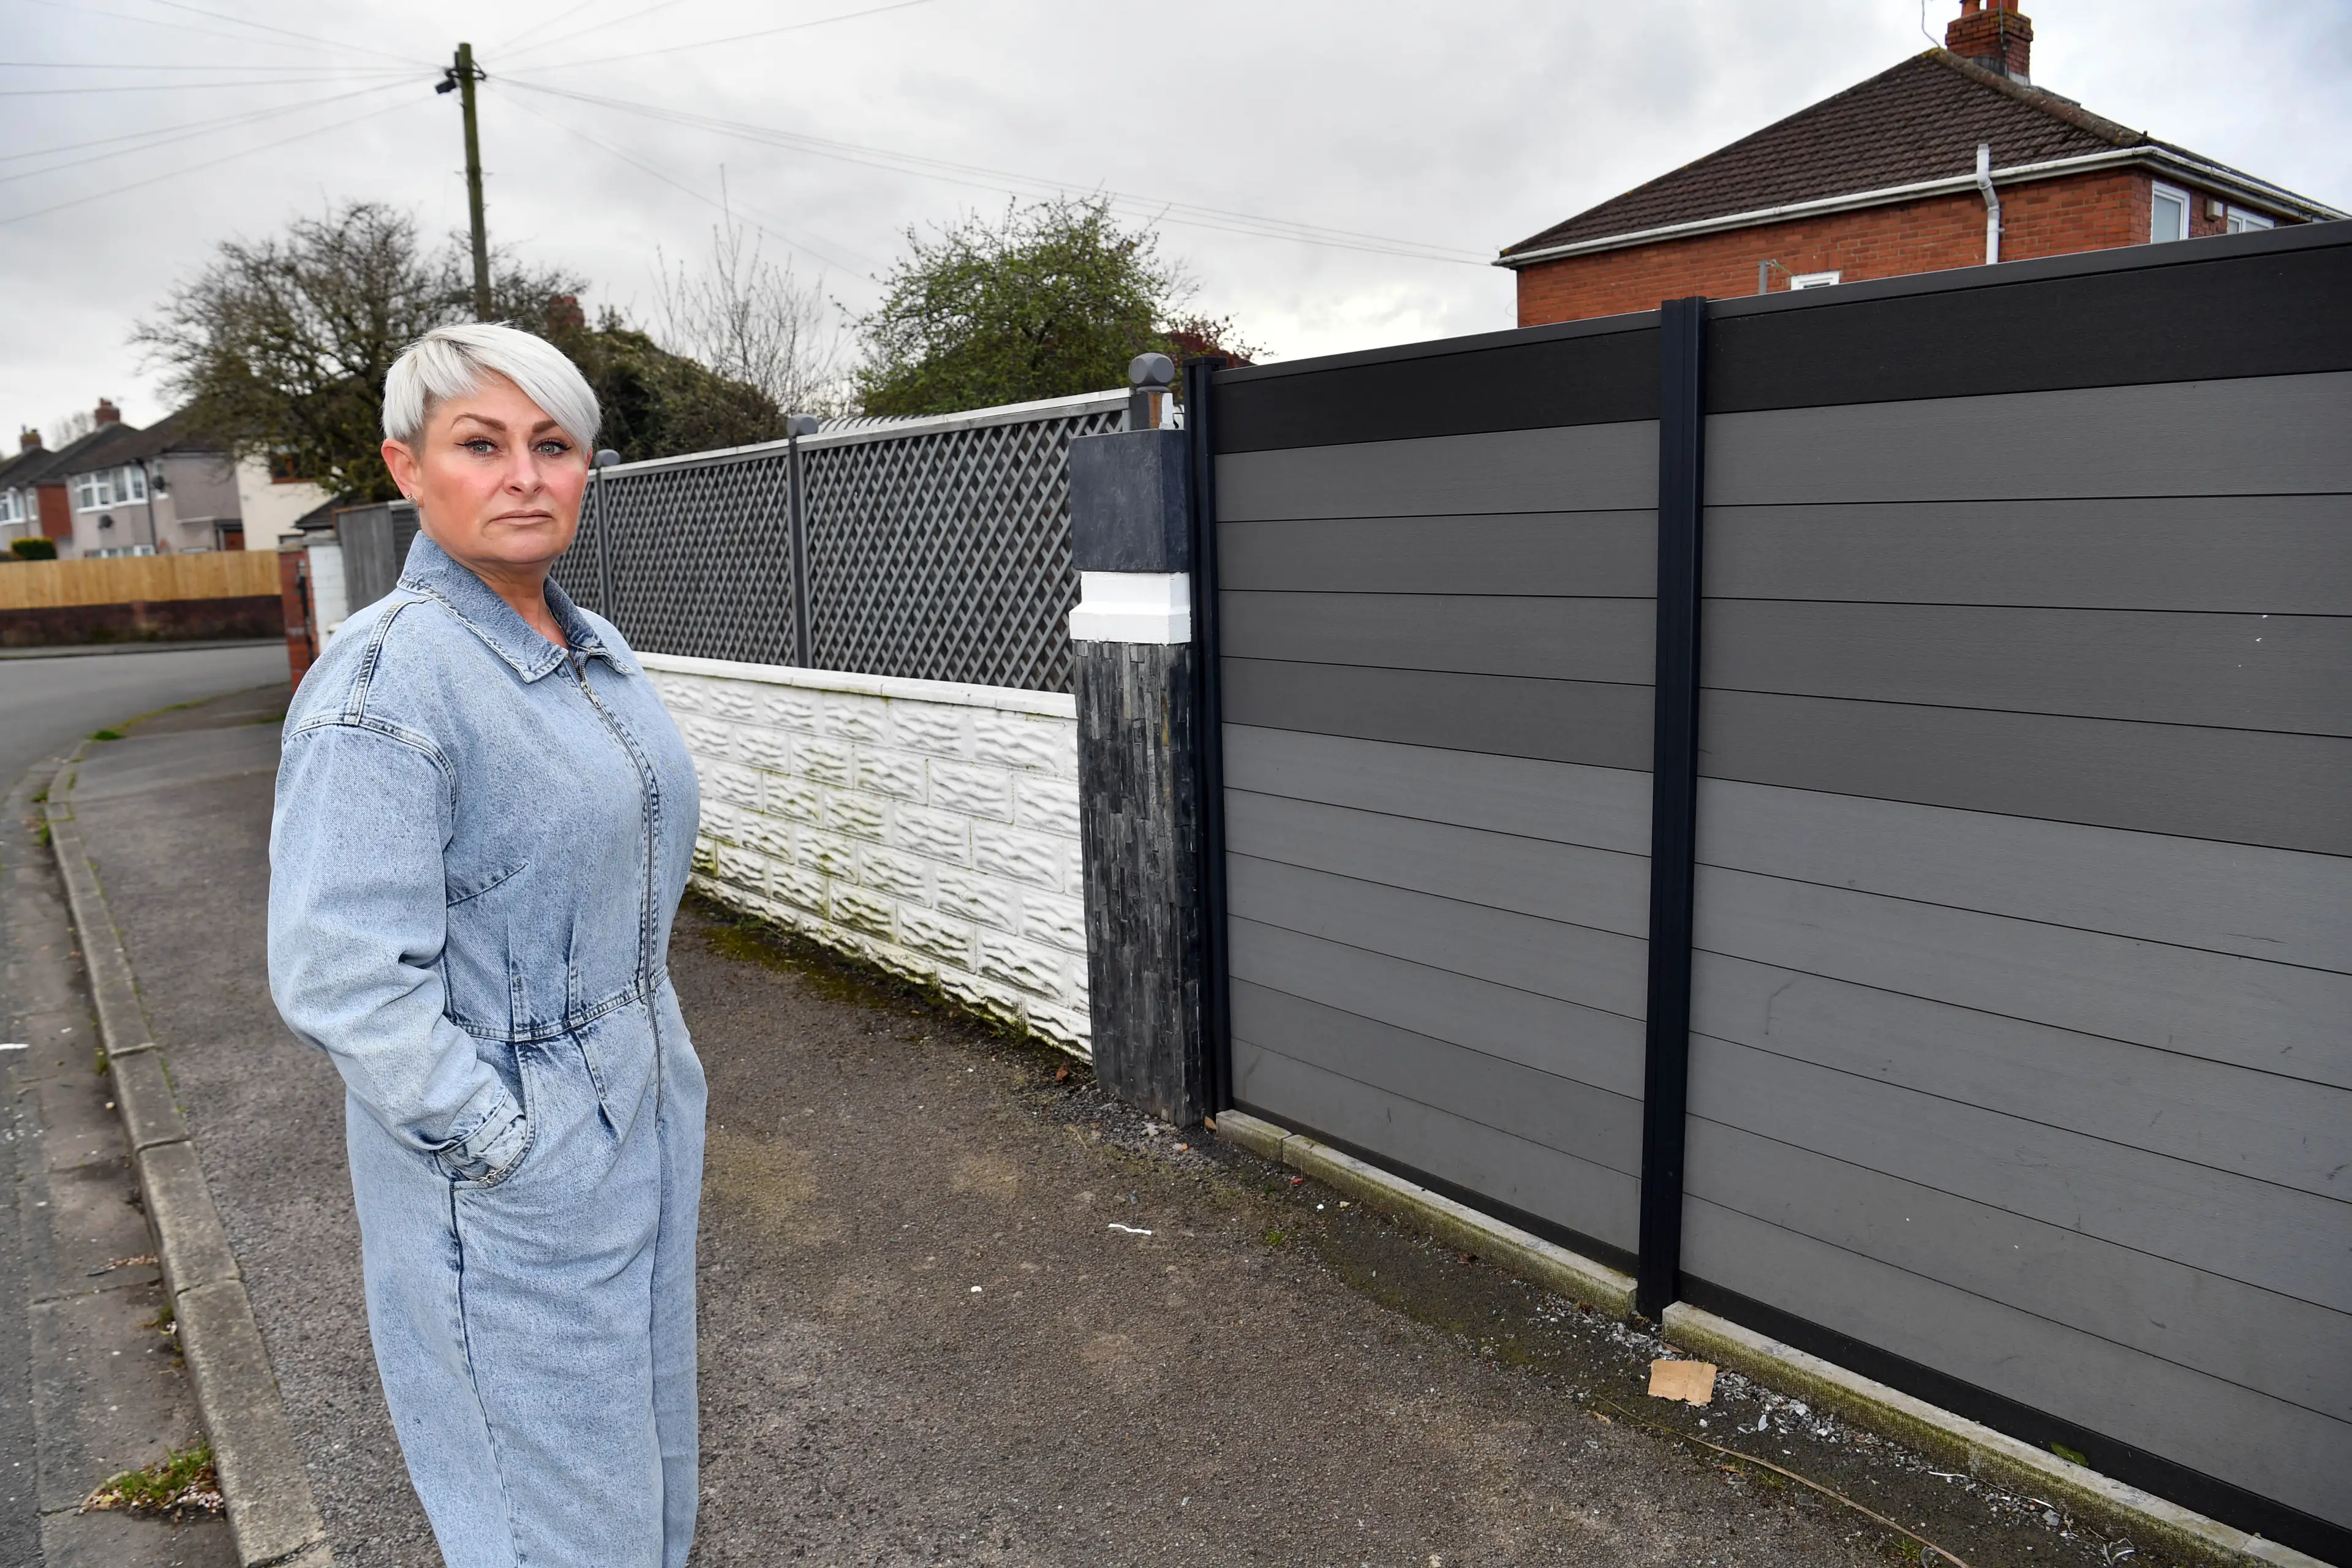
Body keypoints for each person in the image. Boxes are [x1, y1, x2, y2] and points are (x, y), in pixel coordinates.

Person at [268, 323, 704, 1568]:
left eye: (552, 444)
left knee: (646, 1494)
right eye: (482, 443)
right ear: (407, 468)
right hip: (515, 1172)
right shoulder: (389, 683)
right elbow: (341, 973)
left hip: (644, 1125)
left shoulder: (588, 649)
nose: (524, 474)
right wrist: (507, 1144)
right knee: (557, 1531)